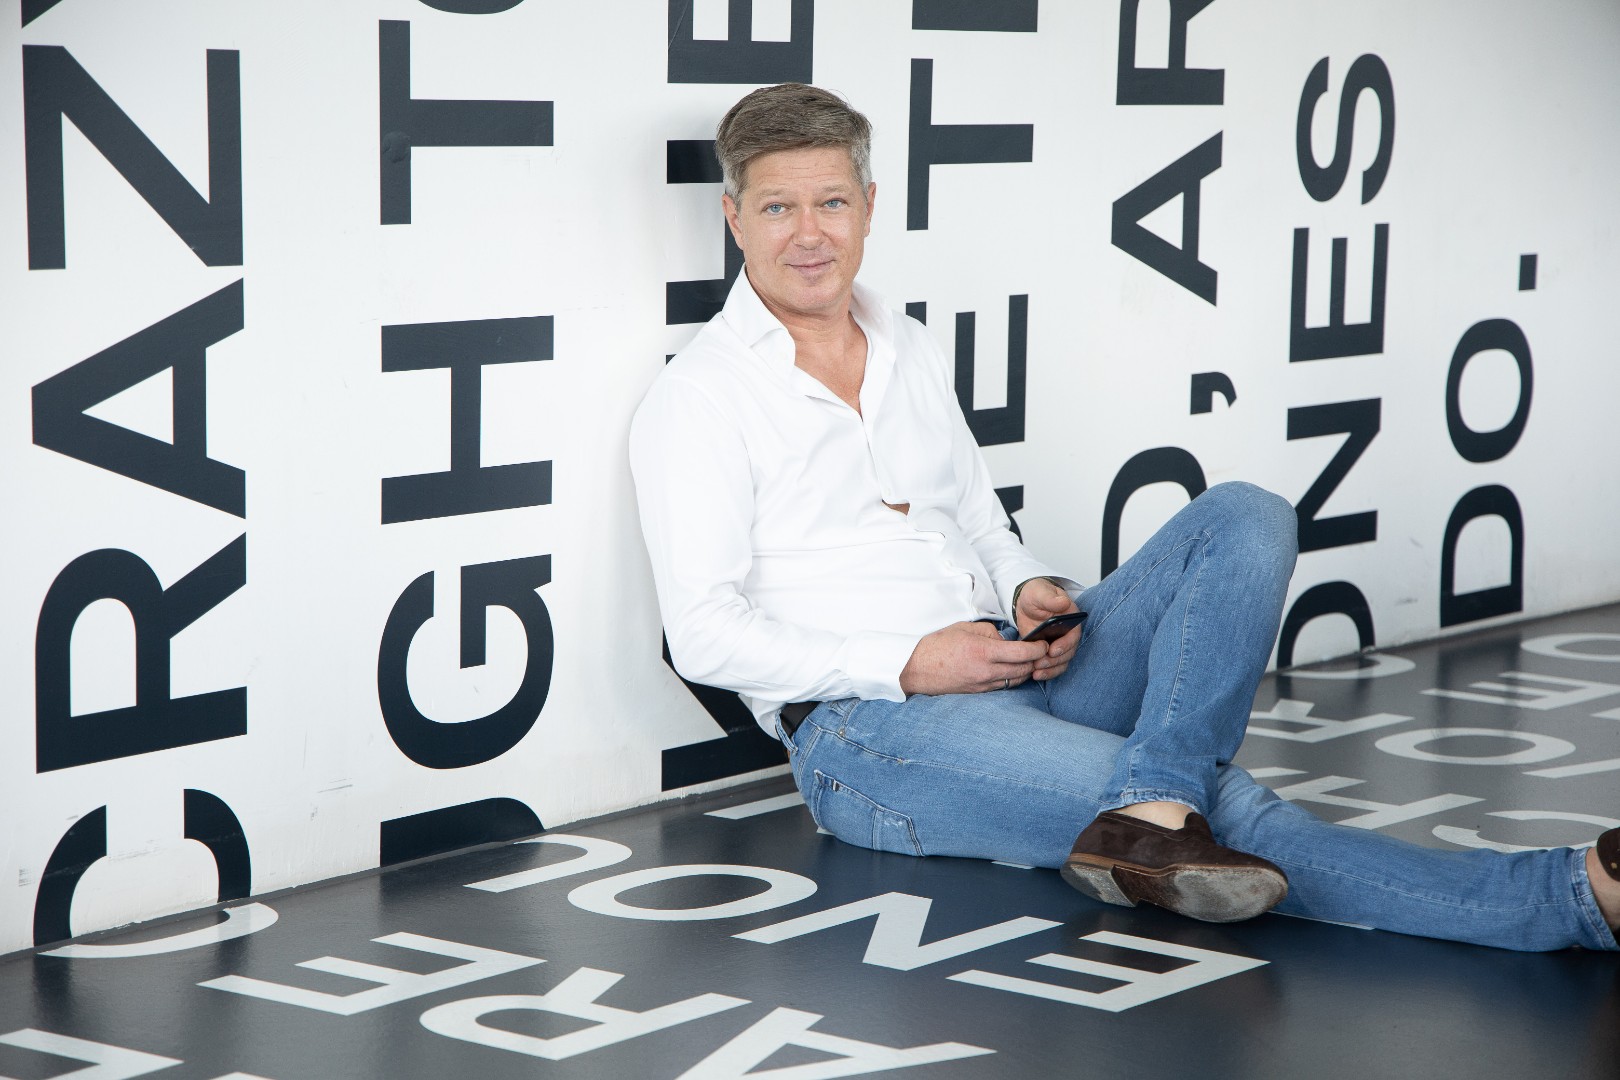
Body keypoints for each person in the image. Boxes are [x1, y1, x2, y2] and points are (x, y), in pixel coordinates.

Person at [628, 83, 1620, 951]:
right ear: (735, 218)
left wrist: (1024, 586)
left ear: (870, 206)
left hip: (1020, 664)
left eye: (832, 202)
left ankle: (1152, 804)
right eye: (779, 207)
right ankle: (1569, 897)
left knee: (1246, 515)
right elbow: (704, 635)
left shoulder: (906, 344)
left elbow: (975, 515)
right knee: (1223, 812)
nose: (810, 233)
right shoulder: (701, 397)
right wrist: (909, 663)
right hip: (871, 735)